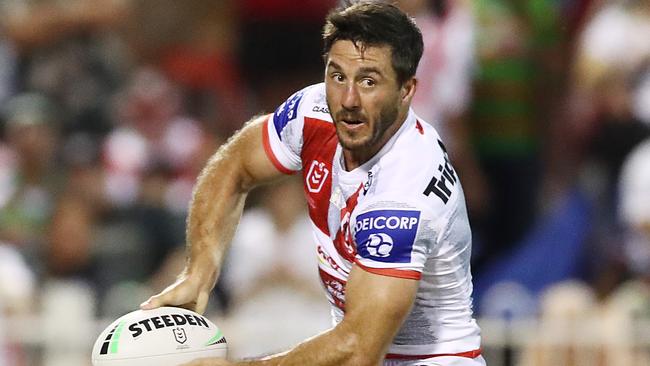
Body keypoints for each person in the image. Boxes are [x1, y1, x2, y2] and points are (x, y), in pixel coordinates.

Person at [141, 2, 484, 365]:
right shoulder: (313, 111)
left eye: (369, 81)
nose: (348, 100)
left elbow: (358, 349)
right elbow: (235, 163)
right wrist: (199, 271)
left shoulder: (404, 189)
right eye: (337, 76)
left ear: (406, 90)